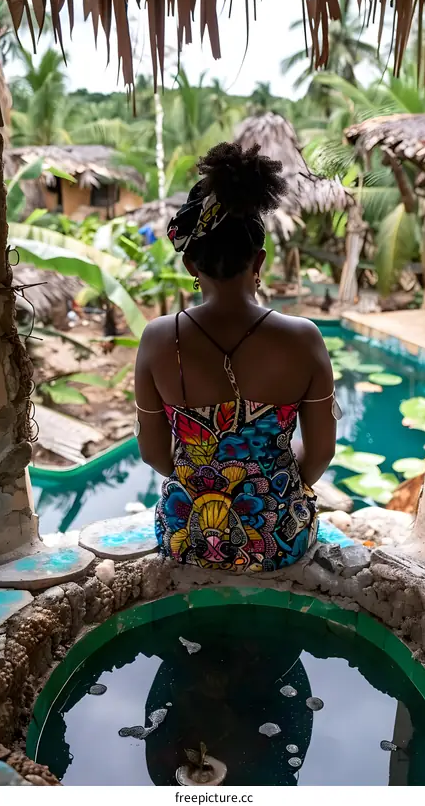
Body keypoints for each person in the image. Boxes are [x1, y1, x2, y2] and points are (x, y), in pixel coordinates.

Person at [134, 142, 338, 572]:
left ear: (191, 264)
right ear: (259, 259)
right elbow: (320, 453)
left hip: (185, 534)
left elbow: (153, 453)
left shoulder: (157, 339)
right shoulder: (304, 338)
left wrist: (204, 477)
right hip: (279, 538)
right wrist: (266, 490)